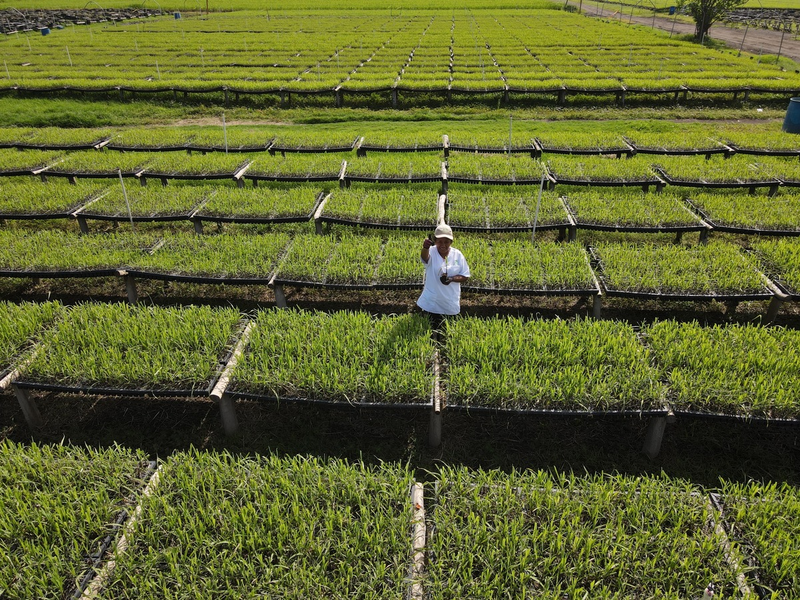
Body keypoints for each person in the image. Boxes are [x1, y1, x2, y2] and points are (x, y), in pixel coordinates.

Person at [416, 223, 470, 331]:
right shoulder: (431, 251)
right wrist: (425, 247)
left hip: (449, 303)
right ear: (435, 241)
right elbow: (424, 257)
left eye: (446, 242)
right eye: (439, 241)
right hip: (431, 303)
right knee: (427, 333)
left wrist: (452, 279)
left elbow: (465, 275)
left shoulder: (457, 255)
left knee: (447, 334)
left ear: (451, 242)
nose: (443, 245)